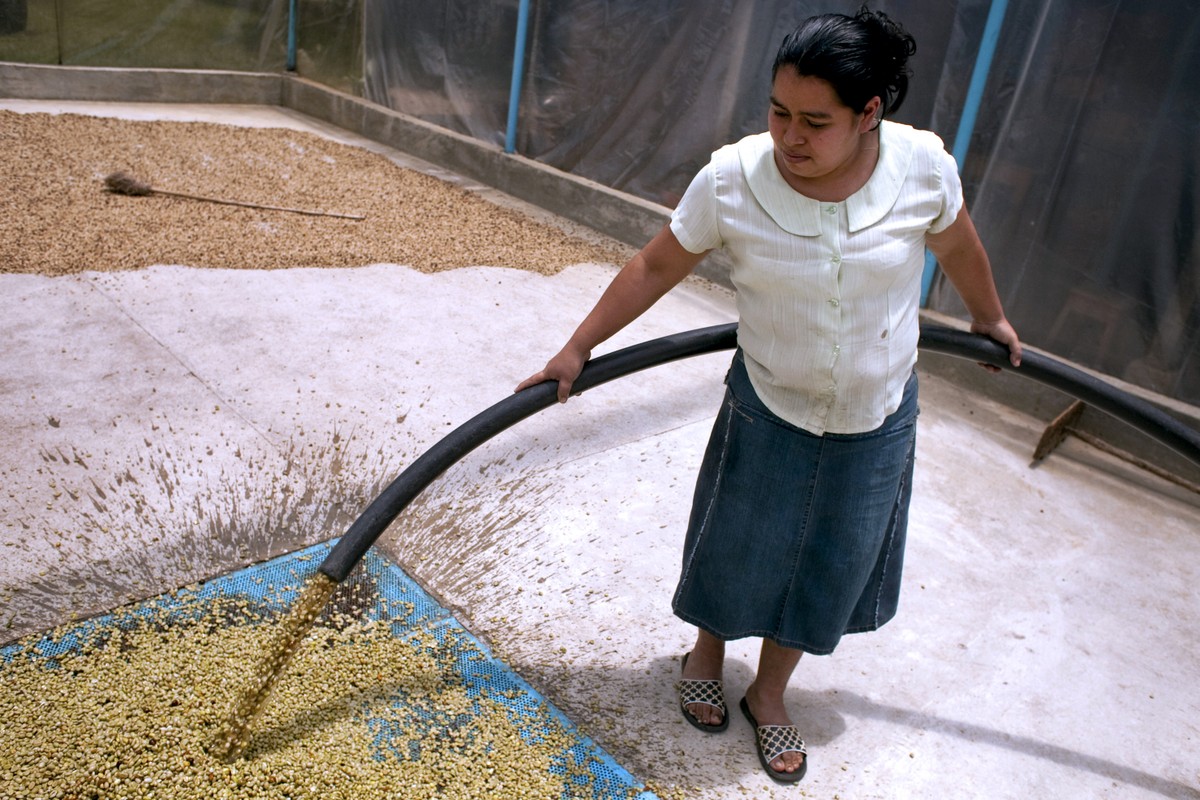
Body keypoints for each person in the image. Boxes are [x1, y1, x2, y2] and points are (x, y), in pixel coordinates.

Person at [517, 6, 1021, 785]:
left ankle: (771, 694)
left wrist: (989, 318)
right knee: (738, 549)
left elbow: (958, 243)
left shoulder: (921, 167)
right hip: (772, 404)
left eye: (815, 122)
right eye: (779, 111)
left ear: (869, 114)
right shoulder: (734, 178)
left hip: (875, 418)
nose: (789, 135)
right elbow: (656, 265)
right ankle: (705, 656)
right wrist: (579, 347)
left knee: (831, 563)